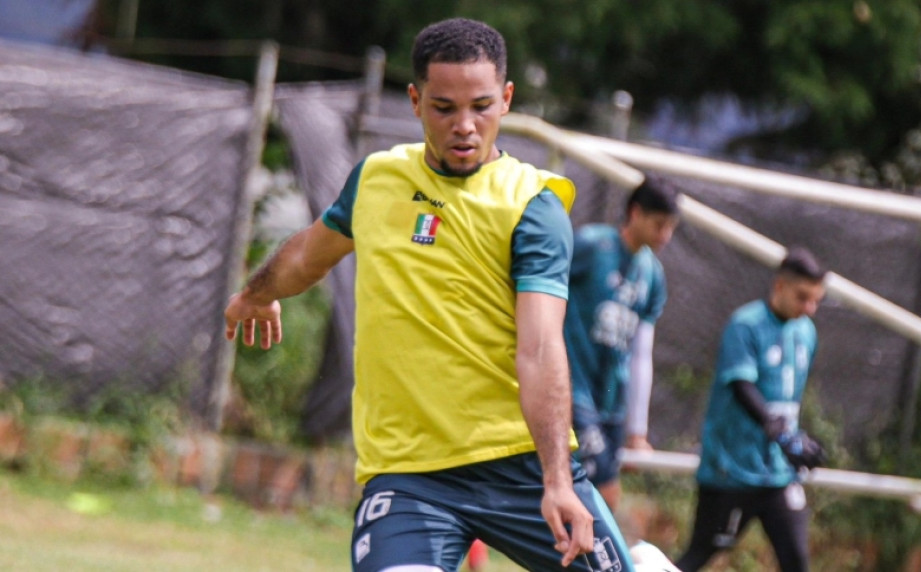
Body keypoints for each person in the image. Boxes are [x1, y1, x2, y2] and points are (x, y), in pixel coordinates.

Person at [224, 17, 652, 572]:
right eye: (444, 108)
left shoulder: (533, 206)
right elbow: (310, 253)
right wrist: (257, 293)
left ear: (507, 99)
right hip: (410, 476)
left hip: (520, 465)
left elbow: (541, 348)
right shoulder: (377, 180)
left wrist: (556, 481)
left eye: (481, 106)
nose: (465, 126)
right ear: (415, 101)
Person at [675, 247, 829, 572]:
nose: (810, 308)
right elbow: (742, 387)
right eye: (803, 297)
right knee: (697, 557)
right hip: (730, 471)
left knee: (797, 560)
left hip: (778, 474)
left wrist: (794, 439)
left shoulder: (806, 332)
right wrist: (784, 436)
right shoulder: (745, 324)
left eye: (816, 299)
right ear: (780, 286)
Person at [564, 180, 680, 511]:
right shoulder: (590, 245)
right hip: (574, 392)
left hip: (611, 404)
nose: (665, 236)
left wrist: (636, 431)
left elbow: (641, 354)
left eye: (671, 227)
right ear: (635, 212)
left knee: (592, 503)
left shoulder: (653, 275)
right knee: (604, 496)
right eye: (659, 224)